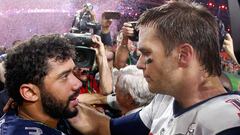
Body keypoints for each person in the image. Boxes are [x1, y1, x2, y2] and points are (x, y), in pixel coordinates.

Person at [68, 1, 240, 135]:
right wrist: (61, 100)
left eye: (147, 54)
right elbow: (107, 128)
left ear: (183, 55)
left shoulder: (228, 124)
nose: (138, 64)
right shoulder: (166, 100)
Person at [0, 34, 83, 134]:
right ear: (29, 92)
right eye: (64, 76)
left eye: (73, 72)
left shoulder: (52, 110)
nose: (78, 83)